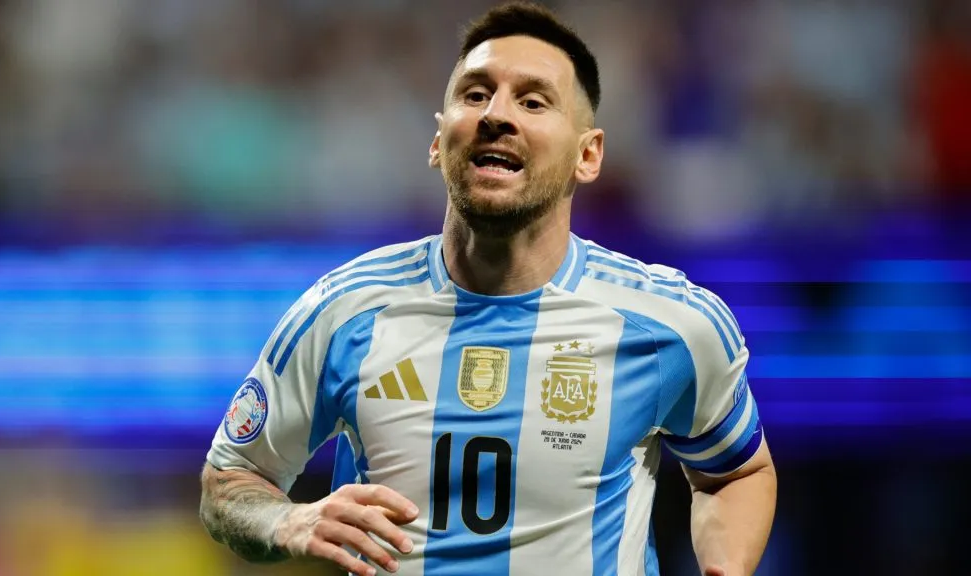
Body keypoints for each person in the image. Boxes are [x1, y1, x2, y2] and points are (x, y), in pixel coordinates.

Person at [199, 2, 777, 575]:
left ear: (588, 154)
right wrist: (287, 521)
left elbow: (736, 471)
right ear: (437, 142)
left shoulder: (670, 323)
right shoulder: (343, 311)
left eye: (532, 101)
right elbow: (228, 480)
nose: (496, 114)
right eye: (475, 95)